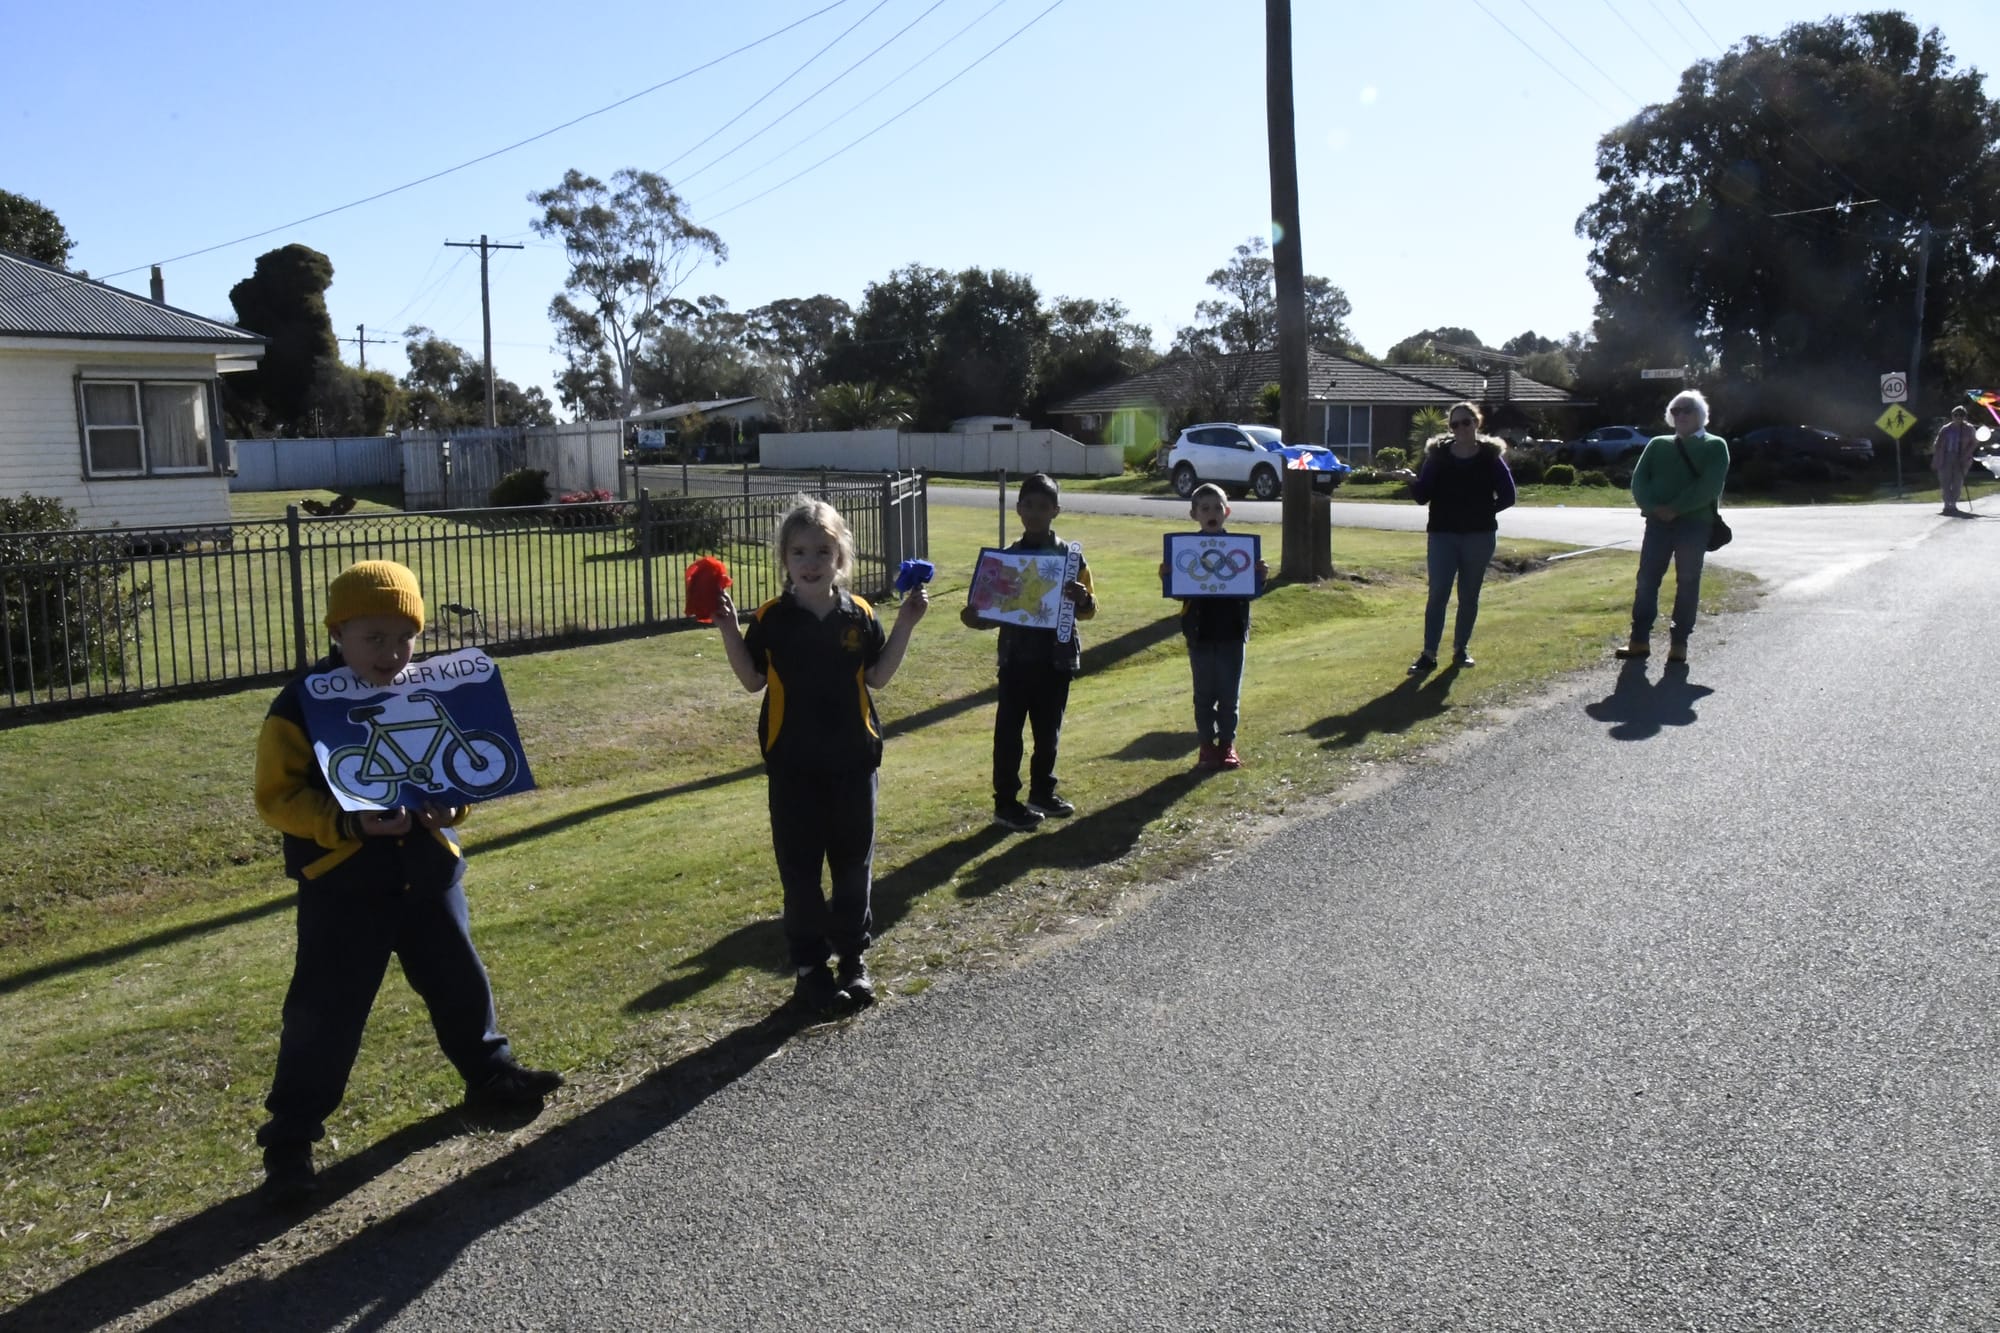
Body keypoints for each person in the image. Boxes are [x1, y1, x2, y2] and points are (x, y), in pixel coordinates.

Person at [253, 560, 563, 1204]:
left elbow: (456, 777)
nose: (392, 654)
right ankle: (291, 1140)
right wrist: (347, 823)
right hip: (344, 882)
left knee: (457, 976)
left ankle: (491, 1074)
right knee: (326, 1010)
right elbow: (277, 797)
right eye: (374, 639)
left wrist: (454, 809)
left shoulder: (427, 688)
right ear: (338, 631)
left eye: (404, 638)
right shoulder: (300, 703)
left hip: (426, 869)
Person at [715, 497, 928, 1015]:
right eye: (799, 552)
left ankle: (853, 963)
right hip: (794, 769)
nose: (811, 562)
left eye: (823, 551)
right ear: (784, 560)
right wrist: (725, 626)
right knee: (801, 873)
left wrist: (906, 623)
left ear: (841, 558)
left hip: (854, 764)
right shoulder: (772, 619)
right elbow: (752, 681)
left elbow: (876, 676)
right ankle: (811, 969)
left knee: (854, 869)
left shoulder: (860, 615)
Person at [960, 473, 1097, 832]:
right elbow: (988, 616)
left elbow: (1088, 609)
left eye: (1043, 506)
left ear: (1056, 510)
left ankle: (1042, 793)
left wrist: (1083, 597)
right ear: (1018, 509)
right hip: (1016, 660)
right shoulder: (1007, 561)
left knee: (1047, 733)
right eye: (1029, 505)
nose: (1035, 512)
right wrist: (973, 617)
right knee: (1008, 735)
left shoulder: (1071, 558)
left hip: (1056, 661)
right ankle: (1005, 803)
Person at [1616, 390, 1729, 665]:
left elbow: (1709, 486)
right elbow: (1639, 481)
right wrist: (1654, 508)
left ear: (1701, 415)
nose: (1680, 415)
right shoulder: (1657, 444)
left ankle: (1679, 644)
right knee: (1647, 580)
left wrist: (1676, 508)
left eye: (1687, 409)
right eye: (1676, 410)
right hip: (1657, 524)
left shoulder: (1715, 446)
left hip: (1694, 524)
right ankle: (1639, 640)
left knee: (1688, 582)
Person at [1406, 402, 1517, 673]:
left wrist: (1482, 511)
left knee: (1469, 596)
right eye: (1455, 424)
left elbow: (1508, 496)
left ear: (1476, 424)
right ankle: (1429, 654)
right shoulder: (1439, 457)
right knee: (1438, 594)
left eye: (1466, 422)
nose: (1461, 428)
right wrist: (1410, 480)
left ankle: (1461, 649)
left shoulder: (1490, 458)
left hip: (1479, 537)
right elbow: (1422, 496)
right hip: (1443, 535)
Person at [1163, 483, 1267, 770]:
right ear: (1193, 514)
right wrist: (1168, 577)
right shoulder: (1185, 552)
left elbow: (1250, 591)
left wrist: (1259, 576)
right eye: (1205, 508)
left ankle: (1227, 745)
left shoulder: (1240, 553)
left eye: (1217, 508)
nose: (1212, 513)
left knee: (1229, 696)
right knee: (1204, 696)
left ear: (1227, 512)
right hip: (1200, 635)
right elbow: (1178, 592)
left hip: (1232, 633)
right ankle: (1207, 747)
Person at [1934, 406, 1979, 516]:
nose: (1958, 417)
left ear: (1964, 416)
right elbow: (1937, 442)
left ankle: (1953, 504)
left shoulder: (1969, 428)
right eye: (1956, 415)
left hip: (1962, 457)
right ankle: (1946, 504)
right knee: (1945, 481)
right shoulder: (1946, 428)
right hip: (1946, 457)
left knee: (1957, 482)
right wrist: (1938, 454)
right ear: (1952, 416)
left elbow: (1974, 443)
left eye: (1961, 415)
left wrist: (1966, 454)